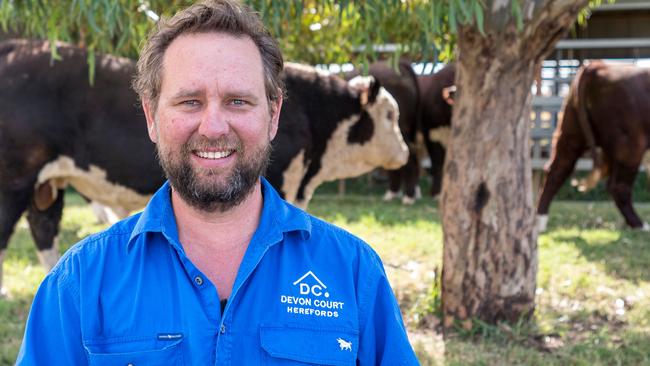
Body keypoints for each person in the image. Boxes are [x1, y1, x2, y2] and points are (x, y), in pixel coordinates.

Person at [17, 0, 419, 364]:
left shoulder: (353, 274)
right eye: (189, 101)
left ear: (273, 115)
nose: (212, 127)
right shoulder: (79, 285)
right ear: (152, 116)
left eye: (238, 101)